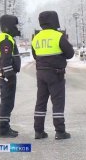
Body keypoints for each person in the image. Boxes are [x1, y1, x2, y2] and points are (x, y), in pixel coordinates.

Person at [31, 11, 74, 140]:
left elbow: (35, 55)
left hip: (41, 73)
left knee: (41, 102)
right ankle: (60, 131)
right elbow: (70, 53)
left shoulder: (36, 37)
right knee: (58, 102)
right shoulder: (58, 36)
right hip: (56, 74)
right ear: (55, 20)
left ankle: (39, 131)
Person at [0, 14, 21, 138]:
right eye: (14, 25)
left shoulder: (4, 37)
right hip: (7, 75)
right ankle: (3, 129)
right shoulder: (5, 39)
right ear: (8, 26)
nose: (16, 27)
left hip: (4, 74)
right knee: (7, 102)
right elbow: (5, 59)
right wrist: (9, 76)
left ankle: (6, 126)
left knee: (7, 101)